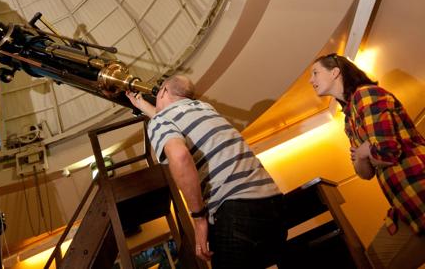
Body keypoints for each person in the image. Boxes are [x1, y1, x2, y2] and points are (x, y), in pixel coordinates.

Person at [126, 74, 286, 268]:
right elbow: (169, 116)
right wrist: (142, 105)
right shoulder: (205, 108)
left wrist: (199, 218)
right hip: (275, 205)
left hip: (235, 210)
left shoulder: (160, 122)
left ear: (164, 91)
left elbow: (180, 157)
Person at [310, 53, 425, 269]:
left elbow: (387, 152)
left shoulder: (366, 95)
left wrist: (365, 153)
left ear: (335, 72)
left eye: (315, 72)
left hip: (419, 192)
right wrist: (364, 154)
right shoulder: (348, 119)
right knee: (371, 259)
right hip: (405, 204)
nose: (310, 80)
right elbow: (365, 173)